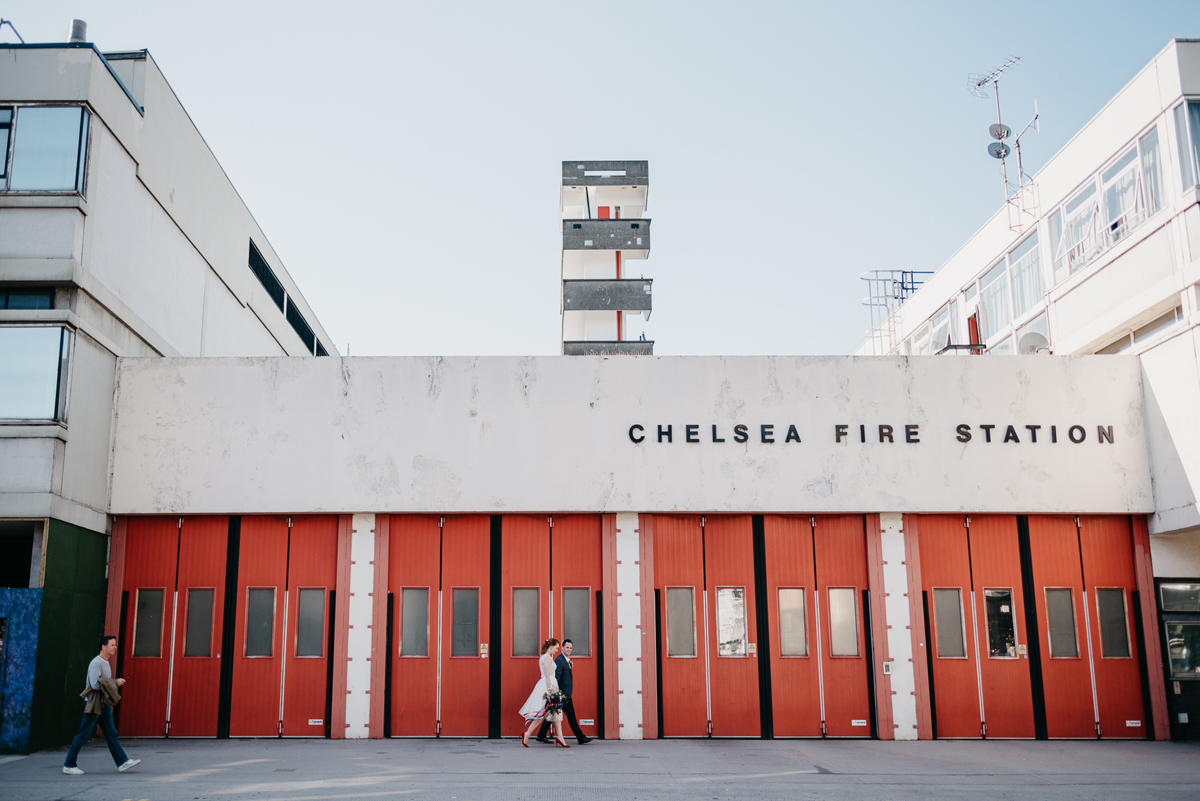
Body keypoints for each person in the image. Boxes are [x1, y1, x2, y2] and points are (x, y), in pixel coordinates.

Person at [62, 635, 140, 775]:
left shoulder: (105, 662)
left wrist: (113, 682)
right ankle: (69, 764)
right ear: (103, 647)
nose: (115, 647)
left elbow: (103, 683)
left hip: (103, 705)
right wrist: (115, 683)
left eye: (115, 645)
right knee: (83, 735)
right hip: (94, 705)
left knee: (111, 733)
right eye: (112, 645)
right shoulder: (96, 663)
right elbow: (95, 684)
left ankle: (122, 762)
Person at [536, 639, 592, 744]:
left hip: (564, 694)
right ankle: (580, 737)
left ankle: (541, 734)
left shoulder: (565, 660)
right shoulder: (559, 660)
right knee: (570, 716)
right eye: (567, 647)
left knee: (552, 713)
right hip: (562, 694)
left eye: (570, 648)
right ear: (562, 648)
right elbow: (556, 677)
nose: (569, 649)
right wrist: (556, 693)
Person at [518, 638, 569, 747]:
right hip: (548, 686)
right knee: (543, 713)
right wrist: (550, 691)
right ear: (551, 647)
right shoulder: (547, 659)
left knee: (555, 712)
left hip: (550, 685)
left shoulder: (544, 657)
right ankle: (527, 734)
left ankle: (560, 738)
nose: (556, 650)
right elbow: (547, 675)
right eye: (556, 648)